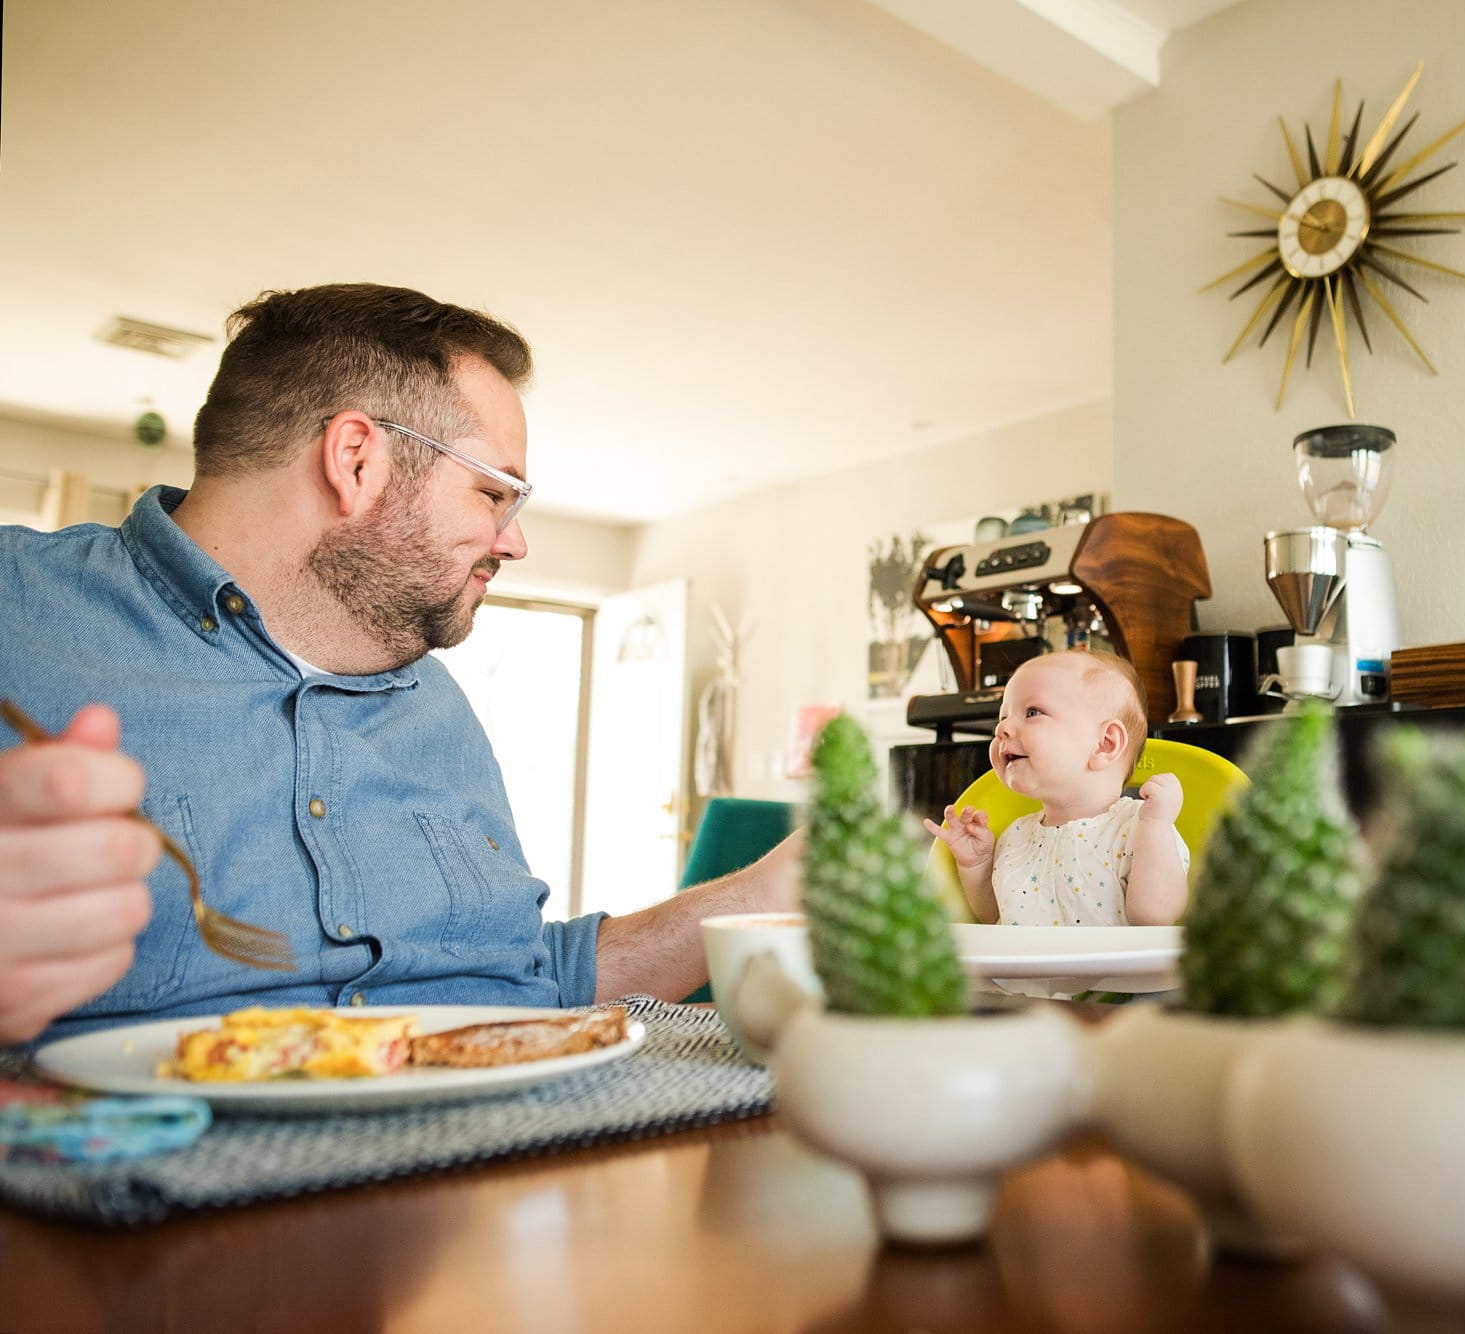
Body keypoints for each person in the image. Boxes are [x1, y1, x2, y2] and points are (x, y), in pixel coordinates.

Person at [0, 283, 798, 1045]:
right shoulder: (19, 606)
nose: (514, 541)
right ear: (356, 460)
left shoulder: (437, 702)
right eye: (494, 493)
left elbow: (523, 983)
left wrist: (766, 894)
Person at [926, 650, 1189, 926]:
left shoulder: (1140, 827)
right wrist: (977, 866)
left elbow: (1155, 918)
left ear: (1105, 744)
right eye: (1002, 718)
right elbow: (997, 917)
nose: (1002, 730)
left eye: (1032, 712)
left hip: (1110, 972)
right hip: (1021, 971)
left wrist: (1157, 824)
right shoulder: (1014, 836)